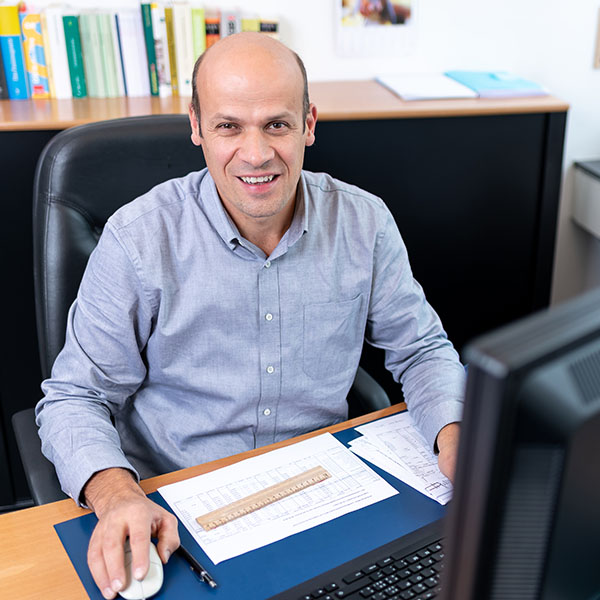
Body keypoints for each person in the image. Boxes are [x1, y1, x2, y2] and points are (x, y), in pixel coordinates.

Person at [36, 32, 465, 600]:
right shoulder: (138, 239)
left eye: (277, 125)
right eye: (229, 126)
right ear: (197, 127)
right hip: (178, 507)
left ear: (309, 124)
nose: (256, 154)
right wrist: (117, 496)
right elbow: (74, 397)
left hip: (325, 492)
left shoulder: (364, 223)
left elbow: (423, 351)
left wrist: (457, 435)